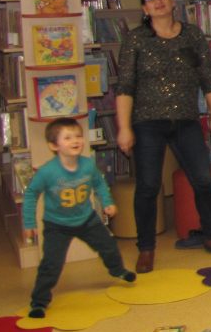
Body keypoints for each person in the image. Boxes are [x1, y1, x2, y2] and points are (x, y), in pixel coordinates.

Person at [116, 0, 211, 273]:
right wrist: (124, 127)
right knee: (148, 186)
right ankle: (146, 248)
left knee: (203, 180)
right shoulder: (136, 40)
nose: (158, 1)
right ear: (145, 8)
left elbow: (208, 78)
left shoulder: (192, 35)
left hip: (186, 120)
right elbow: (125, 86)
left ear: (171, 0)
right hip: (147, 122)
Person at [23, 118, 136, 318]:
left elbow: (99, 183)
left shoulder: (87, 165)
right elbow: (31, 194)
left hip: (87, 219)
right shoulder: (47, 172)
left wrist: (107, 202)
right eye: (67, 138)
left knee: (108, 245)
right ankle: (39, 302)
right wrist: (29, 223)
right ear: (54, 146)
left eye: (78, 136)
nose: (75, 140)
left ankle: (117, 270)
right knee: (51, 264)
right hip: (57, 225)